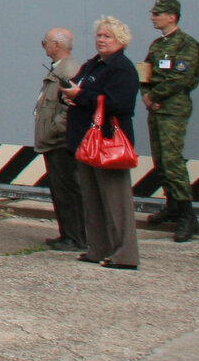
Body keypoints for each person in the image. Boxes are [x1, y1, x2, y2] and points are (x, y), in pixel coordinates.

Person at [60, 15, 141, 270]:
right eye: (99, 35)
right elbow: (81, 89)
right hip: (86, 141)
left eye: (107, 36)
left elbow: (121, 104)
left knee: (116, 201)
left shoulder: (122, 68)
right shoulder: (94, 64)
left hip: (108, 142)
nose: (101, 40)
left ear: (121, 40)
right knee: (92, 198)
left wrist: (81, 95)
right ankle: (98, 249)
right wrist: (71, 96)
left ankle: (125, 254)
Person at [141, 0, 199, 243]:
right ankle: (172, 205)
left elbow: (182, 79)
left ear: (172, 17)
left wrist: (155, 95)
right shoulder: (158, 45)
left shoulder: (187, 45)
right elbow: (144, 72)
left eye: (158, 14)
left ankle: (188, 215)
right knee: (160, 159)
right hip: (156, 108)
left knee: (172, 159)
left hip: (173, 109)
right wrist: (146, 95)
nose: (153, 17)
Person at [35, 27, 86, 252]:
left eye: (45, 42)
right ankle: (67, 234)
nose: (44, 46)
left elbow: (69, 109)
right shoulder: (59, 69)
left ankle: (75, 237)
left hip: (61, 142)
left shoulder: (69, 71)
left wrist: (55, 129)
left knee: (68, 190)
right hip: (54, 141)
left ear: (56, 45)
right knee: (61, 191)